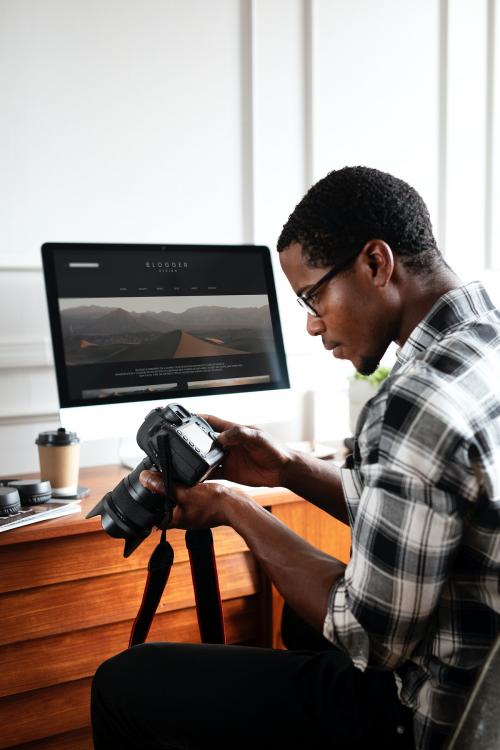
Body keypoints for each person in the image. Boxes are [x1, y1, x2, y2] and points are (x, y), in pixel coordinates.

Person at [91, 166, 500, 749]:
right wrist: (288, 470)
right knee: (294, 622)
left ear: (376, 264)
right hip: (488, 691)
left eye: (313, 296)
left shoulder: (416, 401)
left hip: (432, 717)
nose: (311, 324)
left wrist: (233, 504)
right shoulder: (485, 342)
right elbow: (422, 507)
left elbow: (367, 638)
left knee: (125, 681)